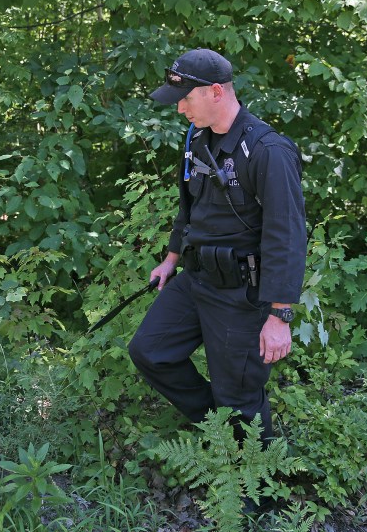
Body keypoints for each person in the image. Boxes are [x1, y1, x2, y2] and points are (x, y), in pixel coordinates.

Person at [128, 48, 307, 444]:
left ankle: (258, 498)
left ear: (214, 92)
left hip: (242, 293)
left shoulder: (268, 152)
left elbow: (288, 237)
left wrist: (280, 315)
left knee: (240, 396)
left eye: (186, 100)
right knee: (150, 351)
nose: (180, 111)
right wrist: (171, 257)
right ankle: (220, 430)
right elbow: (189, 207)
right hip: (197, 278)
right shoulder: (198, 139)